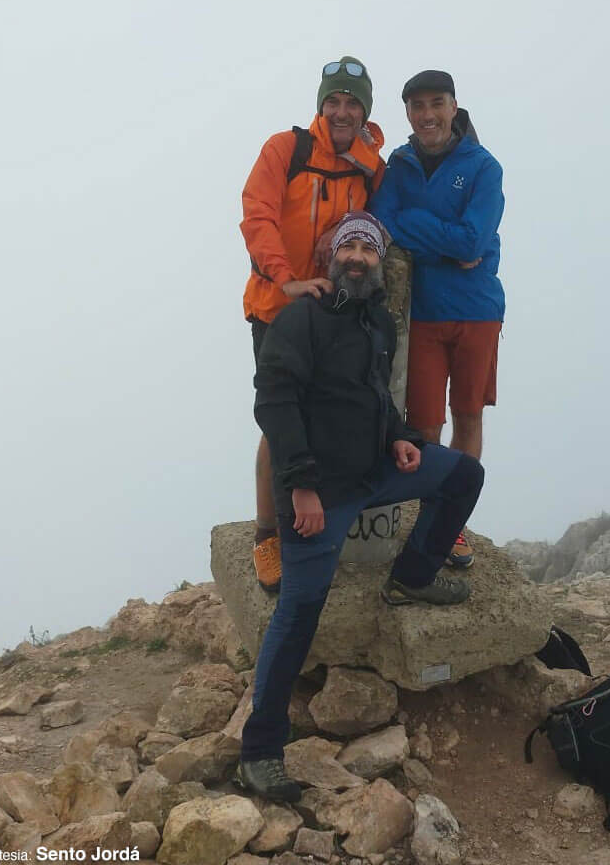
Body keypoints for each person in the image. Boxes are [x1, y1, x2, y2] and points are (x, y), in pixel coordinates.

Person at [237, 211, 484, 802]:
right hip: (318, 493)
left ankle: (412, 576)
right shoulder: (302, 319)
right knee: (298, 613)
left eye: (367, 249)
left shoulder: (378, 321)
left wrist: (400, 437)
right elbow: (274, 403)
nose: (356, 256)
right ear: (331, 257)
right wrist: (300, 488)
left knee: (463, 476)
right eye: (347, 246)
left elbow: (375, 397)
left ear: (378, 262)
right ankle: (260, 750)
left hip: (374, 471)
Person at [240, 56, 386, 594]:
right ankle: (267, 534)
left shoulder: (367, 165)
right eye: (334, 101)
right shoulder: (286, 149)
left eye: (353, 104)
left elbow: (382, 218)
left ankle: (315, 523)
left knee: (327, 414)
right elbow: (257, 216)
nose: (342, 112)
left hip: (334, 309)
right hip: (278, 306)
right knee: (280, 420)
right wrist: (287, 280)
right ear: (321, 105)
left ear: (364, 111)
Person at [369, 70, 504, 569]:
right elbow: (384, 220)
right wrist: (445, 239)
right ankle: (431, 518)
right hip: (423, 312)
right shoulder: (399, 164)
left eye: (436, 103)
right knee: (424, 423)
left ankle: (452, 521)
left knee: (467, 415)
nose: (427, 115)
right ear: (407, 112)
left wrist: (418, 230)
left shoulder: (484, 167)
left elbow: (473, 242)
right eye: (417, 105)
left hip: (477, 310)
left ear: (453, 106)